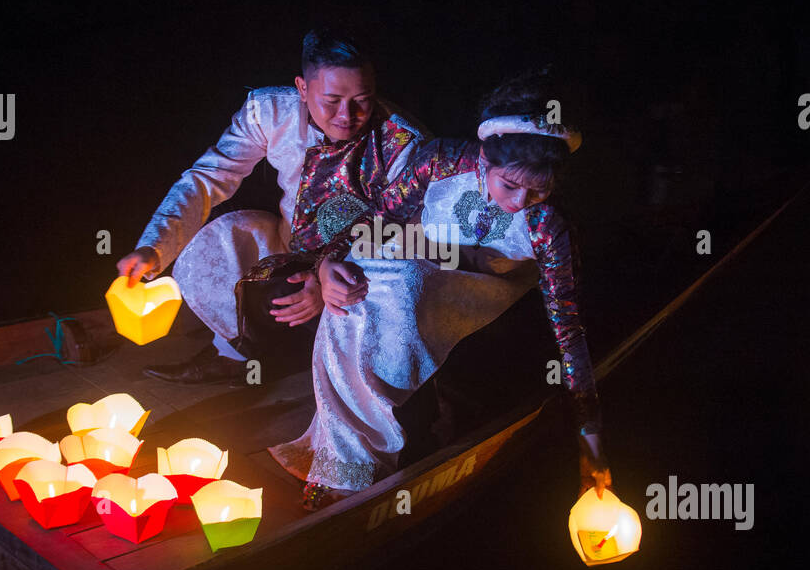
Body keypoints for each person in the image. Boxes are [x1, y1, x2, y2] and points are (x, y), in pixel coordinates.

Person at [268, 70, 611, 509]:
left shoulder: (548, 227)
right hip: (418, 251)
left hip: (481, 283)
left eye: (538, 191)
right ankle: (344, 462)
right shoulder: (442, 161)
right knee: (357, 284)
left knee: (405, 283)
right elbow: (376, 214)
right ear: (485, 160)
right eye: (509, 185)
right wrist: (325, 263)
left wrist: (592, 442)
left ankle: (361, 461)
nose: (519, 202)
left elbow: (570, 331)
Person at [116, 28, 427, 384]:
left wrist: (330, 274)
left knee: (381, 298)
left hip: (363, 266)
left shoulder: (401, 141)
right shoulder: (269, 113)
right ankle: (235, 356)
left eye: (362, 99)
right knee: (219, 241)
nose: (347, 115)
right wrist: (152, 247)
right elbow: (207, 178)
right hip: (289, 245)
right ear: (302, 88)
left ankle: (353, 379)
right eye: (331, 100)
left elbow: (407, 233)